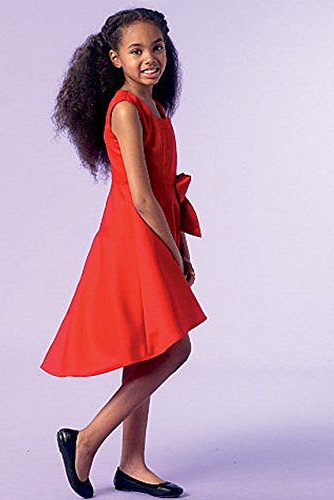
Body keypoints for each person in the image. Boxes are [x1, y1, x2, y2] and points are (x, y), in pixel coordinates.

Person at [40, 7, 209, 498]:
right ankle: (86, 440)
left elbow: (167, 190)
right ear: (115, 59)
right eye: (136, 51)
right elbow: (141, 195)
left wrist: (182, 247)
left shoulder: (158, 108)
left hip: (155, 231)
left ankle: (131, 463)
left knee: (148, 346)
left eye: (157, 47)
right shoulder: (126, 110)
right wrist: (170, 251)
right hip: (133, 236)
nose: (149, 58)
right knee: (176, 348)